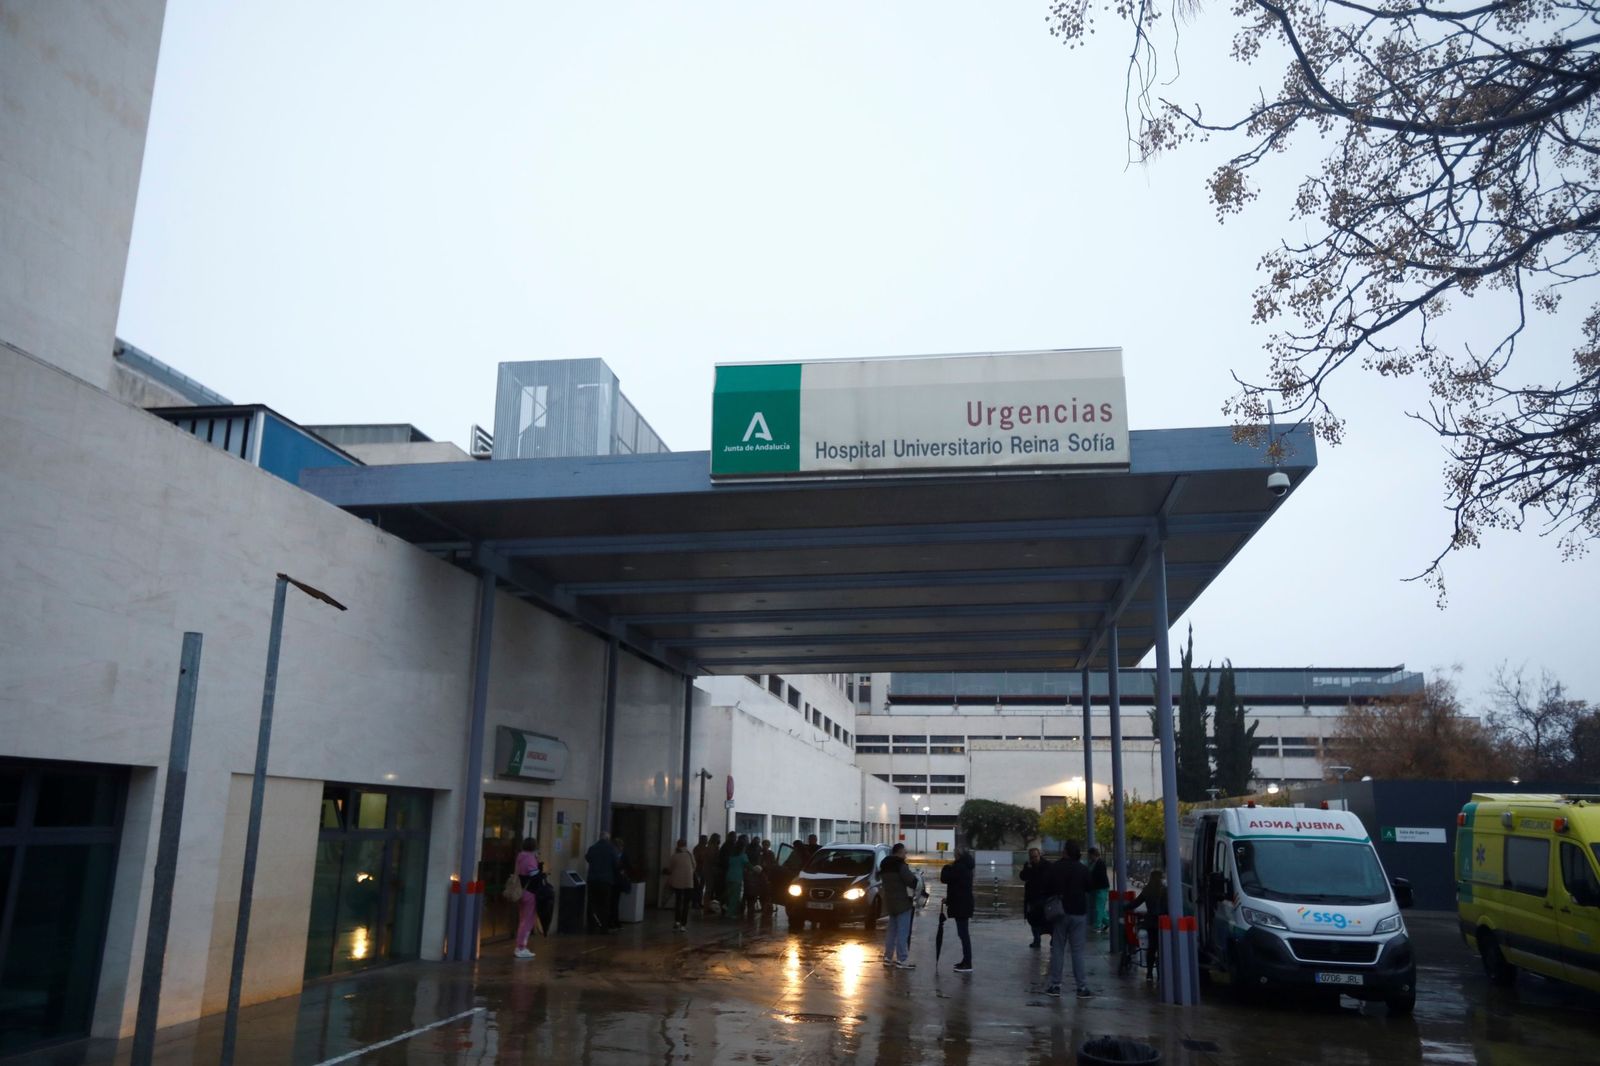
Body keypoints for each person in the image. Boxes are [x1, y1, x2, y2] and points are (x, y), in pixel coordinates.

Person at [1043, 841, 1092, 999]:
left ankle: (1055, 985)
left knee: (1058, 949)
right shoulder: (1083, 869)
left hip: (1060, 912)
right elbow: (1089, 887)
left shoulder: (1055, 867)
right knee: (1077, 952)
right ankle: (1082, 987)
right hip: (1079, 913)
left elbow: (1047, 887)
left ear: (1065, 852)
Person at [879, 843, 919, 969]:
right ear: (899, 852)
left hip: (890, 902)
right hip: (902, 902)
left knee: (891, 931)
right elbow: (912, 882)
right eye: (904, 852)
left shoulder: (884, 865)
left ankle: (888, 957)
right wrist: (917, 878)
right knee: (903, 931)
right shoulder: (901, 866)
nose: (905, 855)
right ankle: (902, 959)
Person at [939, 847, 976, 973]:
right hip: (963, 904)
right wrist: (949, 900)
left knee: (964, 934)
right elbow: (958, 888)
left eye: (955, 854)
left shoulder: (960, 867)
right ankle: (966, 961)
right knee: (963, 934)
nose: (954, 856)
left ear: (959, 855)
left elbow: (945, 878)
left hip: (961, 906)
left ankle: (968, 963)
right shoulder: (965, 866)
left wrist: (946, 867)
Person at [1130, 869, 1168, 980]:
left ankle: (1150, 973)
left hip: (1151, 922)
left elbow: (1136, 903)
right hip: (1163, 923)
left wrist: (1124, 907)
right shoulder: (1165, 890)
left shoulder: (1147, 889)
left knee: (1152, 948)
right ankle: (1162, 974)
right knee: (1162, 948)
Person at [513, 837, 543, 959]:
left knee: (523, 919)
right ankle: (521, 947)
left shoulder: (520, 857)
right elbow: (534, 875)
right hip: (530, 891)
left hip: (521, 891)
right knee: (528, 921)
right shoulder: (530, 858)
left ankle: (520, 946)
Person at [585, 832, 618, 933]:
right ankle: (604, 928)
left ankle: (591, 926)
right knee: (605, 905)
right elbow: (615, 864)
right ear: (608, 839)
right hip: (605, 881)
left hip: (592, 880)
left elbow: (587, 858)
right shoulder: (611, 849)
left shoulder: (592, 848)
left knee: (592, 904)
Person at [1019, 847, 1049, 949]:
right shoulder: (1029, 865)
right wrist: (1028, 868)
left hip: (1044, 896)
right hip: (1032, 897)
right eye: (1032, 857)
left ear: (1039, 855)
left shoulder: (1047, 865)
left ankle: (1050, 938)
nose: (1034, 859)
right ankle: (1036, 940)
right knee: (1032, 920)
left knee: (1047, 919)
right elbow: (1022, 876)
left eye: (1035, 856)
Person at [667, 838, 696, 931]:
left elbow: (670, 869)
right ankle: (683, 925)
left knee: (678, 901)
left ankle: (677, 921)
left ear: (678, 845)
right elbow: (694, 866)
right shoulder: (690, 855)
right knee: (686, 903)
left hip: (677, 882)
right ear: (686, 845)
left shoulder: (674, 856)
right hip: (688, 882)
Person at [1087, 847, 1111, 933]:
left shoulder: (1099, 863)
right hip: (1100, 888)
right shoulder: (1096, 863)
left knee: (1099, 908)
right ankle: (1108, 922)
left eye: (1089, 855)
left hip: (1100, 888)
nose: (1088, 856)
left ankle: (1098, 926)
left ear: (1093, 854)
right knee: (1100, 908)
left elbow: (1097, 877)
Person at [725, 838, 749, 917]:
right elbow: (748, 865)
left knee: (730, 895)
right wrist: (757, 869)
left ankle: (728, 910)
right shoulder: (743, 856)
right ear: (743, 847)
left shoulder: (732, 855)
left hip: (729, 876)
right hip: (737, 877)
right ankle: (730, 913)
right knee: (735, 897)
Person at [691, 834, 712, 909]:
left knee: (701, 887)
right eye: (705, 839)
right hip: (698, 870)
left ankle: (699, 902)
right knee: (697, 887)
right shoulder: (697, 848)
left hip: (704, 870)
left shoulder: (706, 848)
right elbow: (697, 858)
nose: (706, 841)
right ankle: (695, 902)